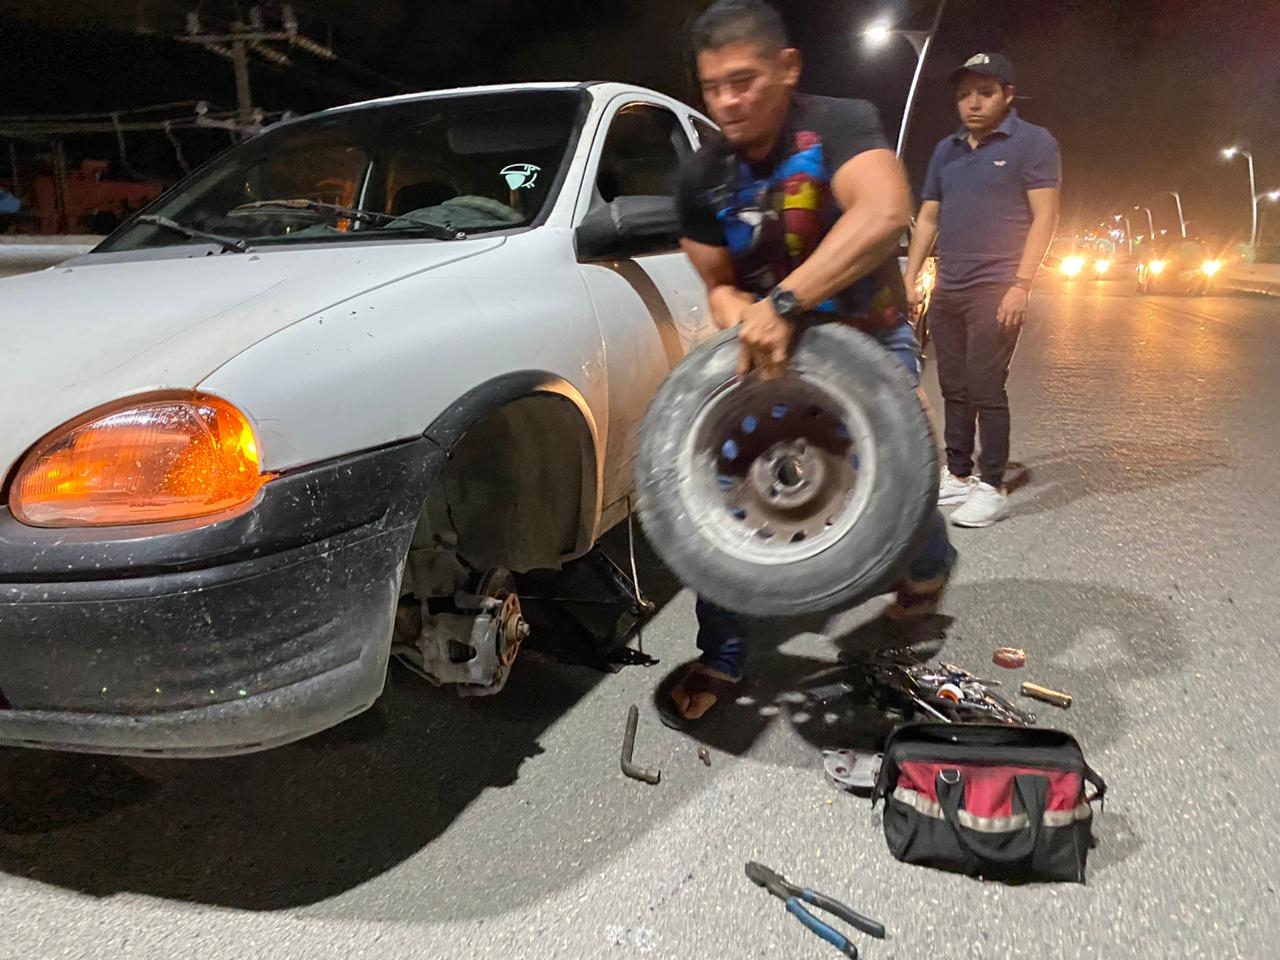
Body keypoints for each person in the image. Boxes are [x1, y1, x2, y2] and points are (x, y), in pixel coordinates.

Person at [666, 0, 956, 725]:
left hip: (865, 330)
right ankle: (723, 652)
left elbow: (884, 212)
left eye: (744, 80)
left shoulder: (838, 124)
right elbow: (721, 286)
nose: (728, 102)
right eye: (713, 88)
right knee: (721, 485)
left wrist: (786, 303)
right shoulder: (701, 176)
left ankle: (928, 563)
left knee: (893, 475)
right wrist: (743, 315)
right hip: (771, 344)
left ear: (786, 67)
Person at [904, 53, 1061, 527]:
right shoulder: (945, 150)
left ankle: (991, 486)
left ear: (1007, 95)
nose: (972, 103)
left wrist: (1022, 284)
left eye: (985, 92)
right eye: (964, 94)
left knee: (985, 387)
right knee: (952, 386)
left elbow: (1046, 217)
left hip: (998, 285)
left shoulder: (1033, 143)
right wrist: (910, 277)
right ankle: (957, 472)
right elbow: (928, 217)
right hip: (949, 284)